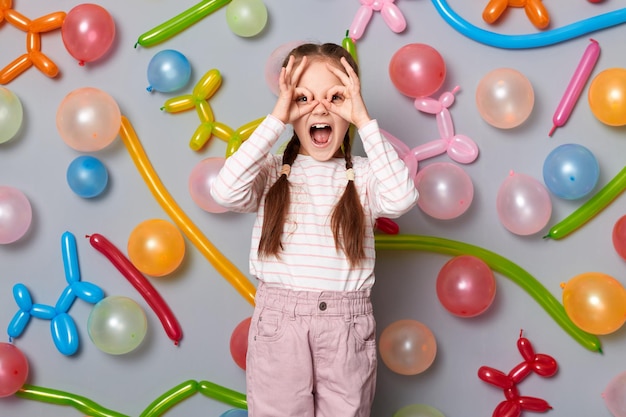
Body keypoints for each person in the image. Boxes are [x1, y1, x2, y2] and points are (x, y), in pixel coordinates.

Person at [210, 42, 418, 417]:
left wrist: (365, 121)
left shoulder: (366, 175)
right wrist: (275, 119)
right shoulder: (272, 171)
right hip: (280, 323)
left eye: (335, 97)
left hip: (347, 325)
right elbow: (225, 191)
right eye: (303, 98)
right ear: (288, 106)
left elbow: (402, 198)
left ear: (351, 104)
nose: (320, 108)